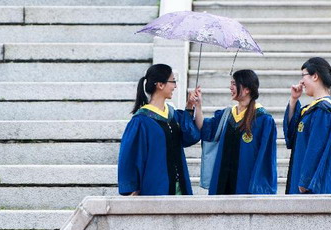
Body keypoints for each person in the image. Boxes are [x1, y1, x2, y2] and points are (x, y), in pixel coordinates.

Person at [117, 64, 201, 196]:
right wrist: (133, 188)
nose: (175, 86)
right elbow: (130, 157)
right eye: (173, 81)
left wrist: (190, 106)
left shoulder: (172, 114)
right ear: (160, 85)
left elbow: (190, 137)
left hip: (180, 186)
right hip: (155, 187)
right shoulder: (141, 121)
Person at [195, 69, 277, 195]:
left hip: (246, 184)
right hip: (222, 182)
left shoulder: (263, 120)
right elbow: (205, 128)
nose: (230, 87)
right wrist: (198, 105)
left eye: (234, 84)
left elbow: (266, 159)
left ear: (247, 89)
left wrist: (259, 188)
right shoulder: (226, 115)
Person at [284, 57, 331, 195]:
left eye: (303, 76)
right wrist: (293, 100)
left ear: (315, 76)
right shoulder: (312, 109)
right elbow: (291, 137)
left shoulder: (323, 111)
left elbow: (316, 148)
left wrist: (305, 182)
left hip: (313, 185)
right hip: (302, 180)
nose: (301, 82)